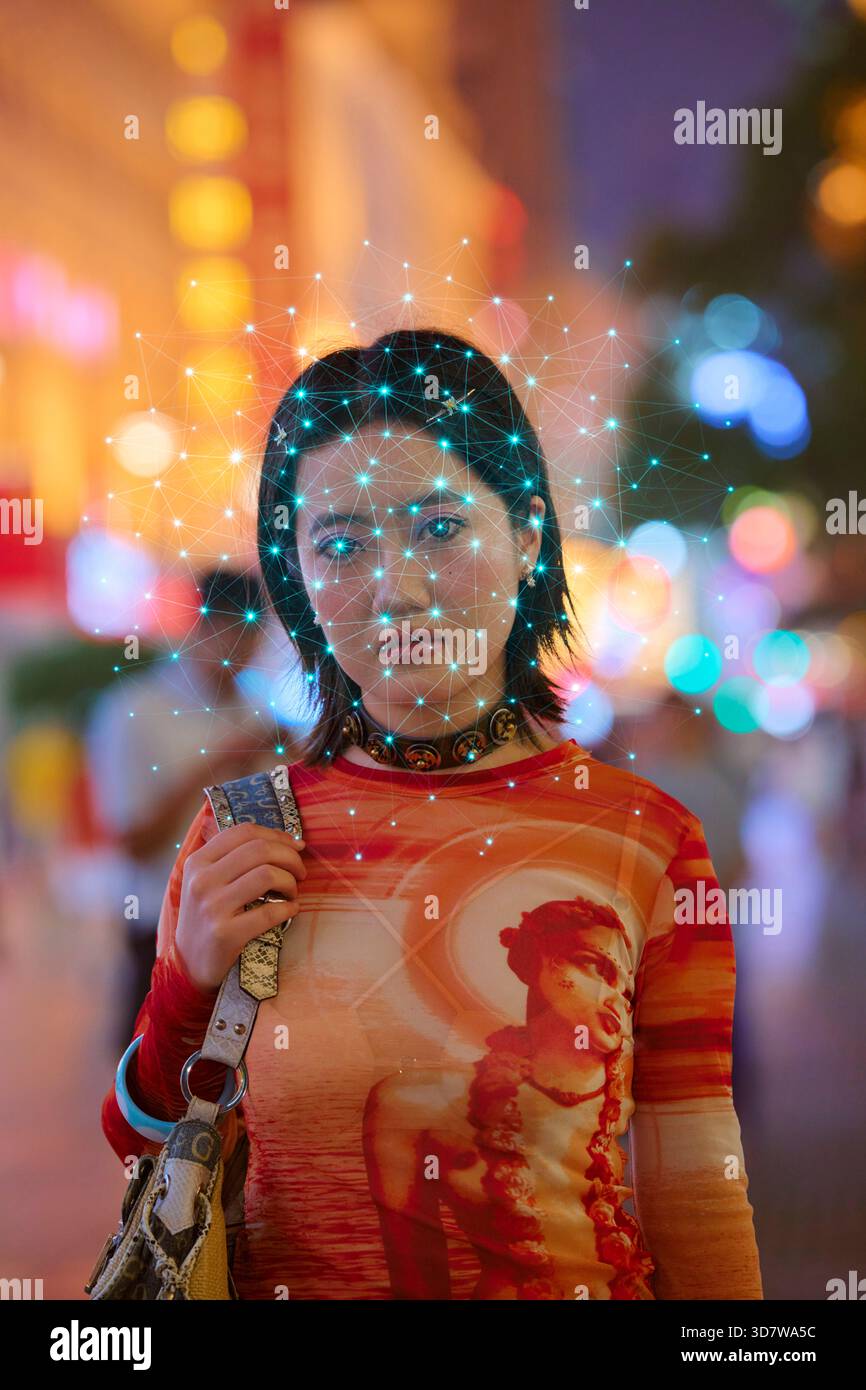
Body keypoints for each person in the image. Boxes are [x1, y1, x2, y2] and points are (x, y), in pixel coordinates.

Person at [100, 329, 764, 1300]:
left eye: (440, 527)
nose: (394, 586)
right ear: (296, 579)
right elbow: (140, 1158)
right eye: (339, 543)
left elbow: (694, 1189)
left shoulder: (645, 839)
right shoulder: (242, 831)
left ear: (527, 535)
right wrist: (181, 996)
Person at [87, 567, 284, 1049]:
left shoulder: (256, 713)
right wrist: (218, 763)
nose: (242, 650)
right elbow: (132, 842)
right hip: (159, 927)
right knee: (152, 1086)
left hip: (248, 932)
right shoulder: (132, 709)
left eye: (252, 635)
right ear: (200, 627)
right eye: (231, 632)